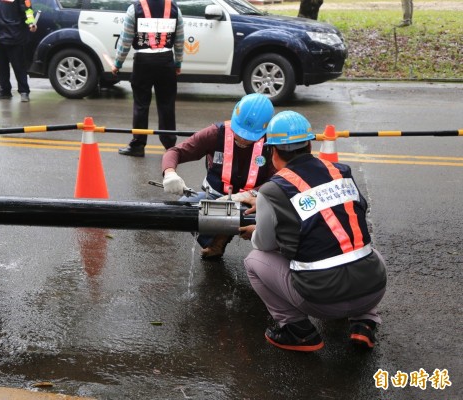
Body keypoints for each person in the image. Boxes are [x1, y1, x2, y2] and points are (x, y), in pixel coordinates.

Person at [239, 111, 387, 352]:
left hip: (321, 301)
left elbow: (264, 244)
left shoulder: (272, 190)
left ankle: (297, 331)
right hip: (374, 288)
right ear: (309, 144)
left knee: (254, 260)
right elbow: (349, 214)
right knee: (356, 245)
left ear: (273, 151)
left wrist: (260, 223)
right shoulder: (341, 171)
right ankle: (365, 321)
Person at [162, 93, 275, 259]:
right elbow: (176, 152)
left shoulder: (272, 143)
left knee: (283, 219)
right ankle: (216, 239)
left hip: (254, 202)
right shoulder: (216, 133)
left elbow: (280, 178)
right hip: (216, 197)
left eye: (250, 136)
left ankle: (270, 259)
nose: (243, 139)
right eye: (240, 132)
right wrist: (170, 172)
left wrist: (254, 194)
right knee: (183, 210)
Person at [113, 0, 184, 157]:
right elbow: (179, 39)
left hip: (143, 62)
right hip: (166, 61)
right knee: (166, 104)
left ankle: (138, 145)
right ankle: (170, 146)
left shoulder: (135, 9)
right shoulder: (173, 8)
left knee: (141, 104)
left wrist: (118, 63)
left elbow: (126, 39)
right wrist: (178, 62)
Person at [0, 0, 36, 102]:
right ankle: (5, 91)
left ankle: (24, 91)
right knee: (2, 67)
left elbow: (27, 10)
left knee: (19, 66)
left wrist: (31, 23)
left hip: (14, 35)